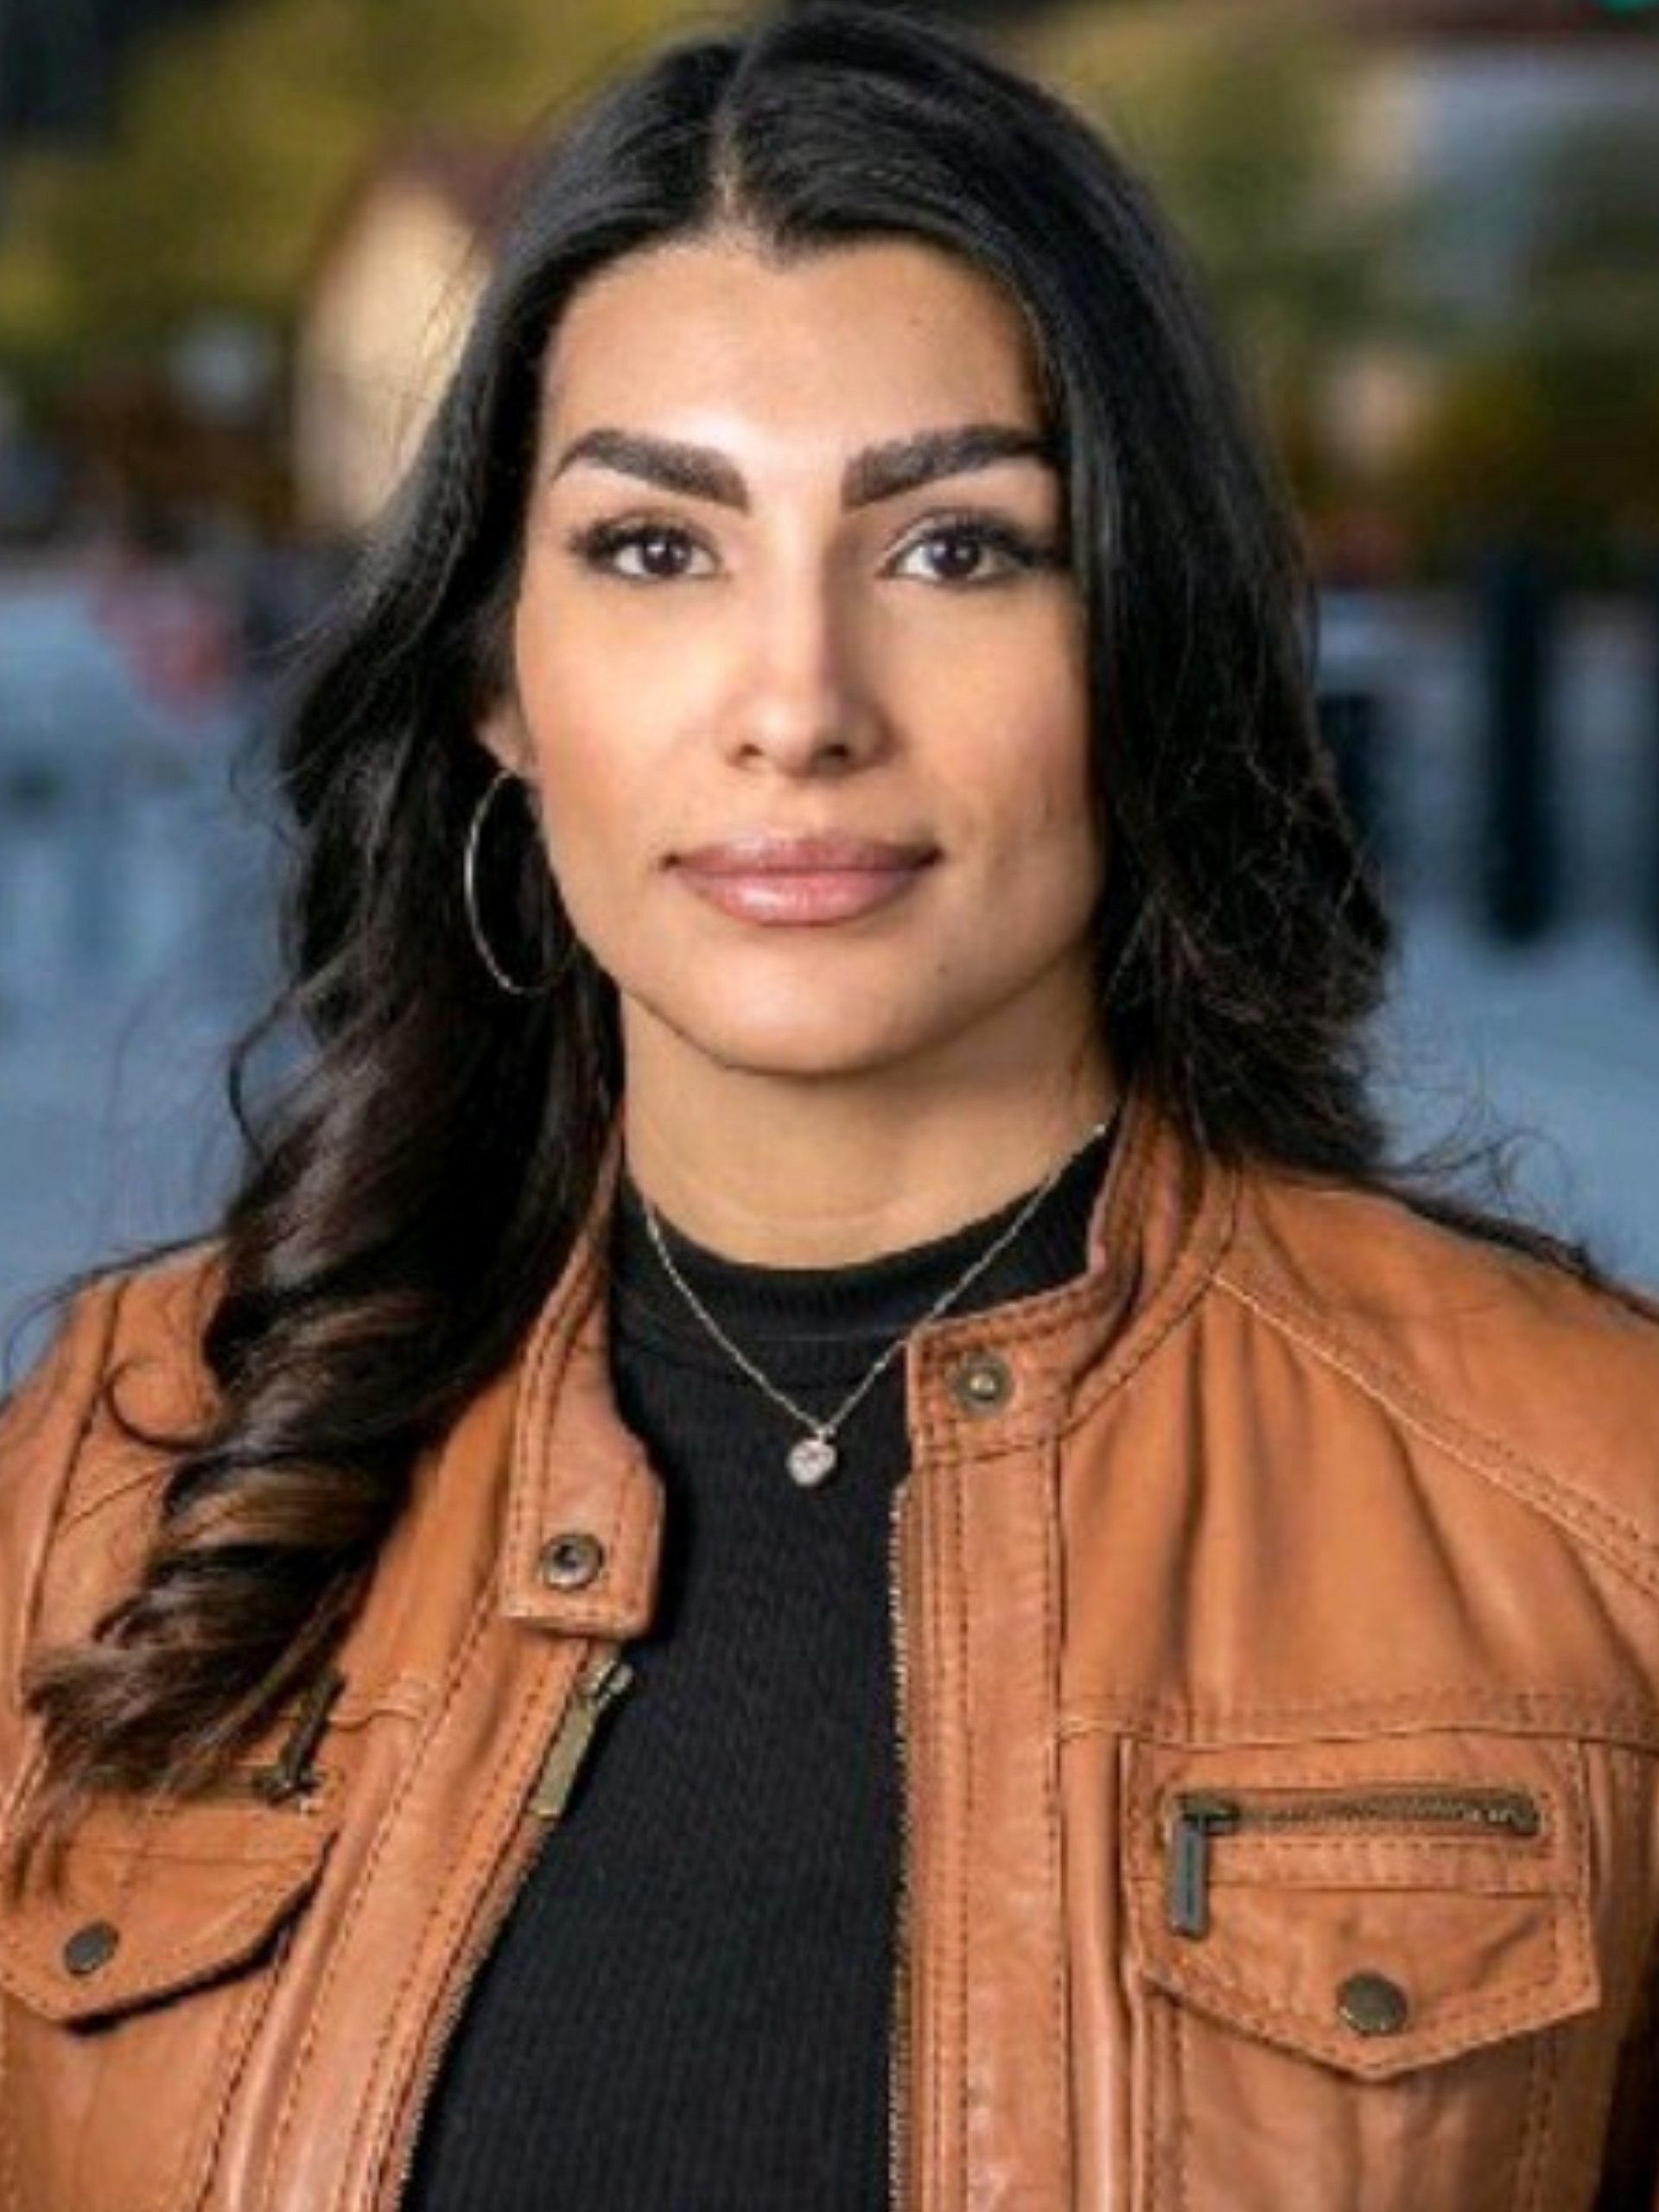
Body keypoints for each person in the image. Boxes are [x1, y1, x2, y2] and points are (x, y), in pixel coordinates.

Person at [2, 7, 1656, 2207]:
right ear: (498, 674)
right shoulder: (118, 1471)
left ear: (1139, 629)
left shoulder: (1591, 1508)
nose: (798, 704)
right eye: (657, 549)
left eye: (957, 545)